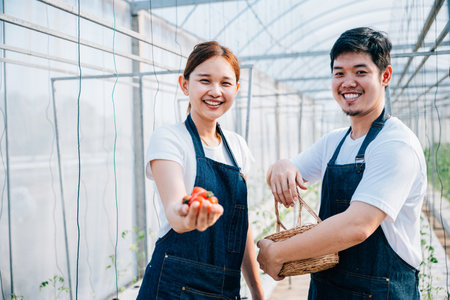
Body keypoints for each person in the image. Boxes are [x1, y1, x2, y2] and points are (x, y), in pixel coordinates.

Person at [257, 27, 426, 299]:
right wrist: (280, 166)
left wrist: (277, 253)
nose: (348, 82)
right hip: (328, 289)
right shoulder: (333, 143)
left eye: (360, 72)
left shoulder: (395, 143)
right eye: (339, 73)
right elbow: (285, 171)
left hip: (380, 291)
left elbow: (357, 226)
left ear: (385, 76)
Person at [137, 41, 264, 300]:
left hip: (225, 288)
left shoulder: (238, 146)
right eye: (205, 80)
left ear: (236, 89)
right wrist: (189, 216)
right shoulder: (170, 139)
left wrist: (257, 293)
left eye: (226, 83)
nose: (215, 91)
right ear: (185, 85)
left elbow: (241, 227)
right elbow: (176, 211)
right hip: (173, 287)